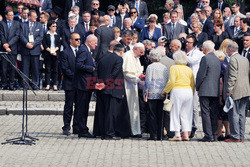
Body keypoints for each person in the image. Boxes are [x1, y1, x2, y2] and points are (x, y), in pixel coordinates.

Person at [93, 44, 125, 140]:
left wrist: (98, 83)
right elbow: (114, 74)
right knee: (111, 113)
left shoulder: (102, 58)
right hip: (113, 89)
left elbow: (97, 71)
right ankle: (109, 133)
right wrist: (105, 84)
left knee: (102, 111)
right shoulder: (119, 59)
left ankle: (101, 131)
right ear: (121, 51)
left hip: (101, 89)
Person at [162, 50, 195, 141]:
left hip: (177, 91)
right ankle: (186, 134)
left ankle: (177, 135)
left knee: (175, 113)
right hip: (188, 91)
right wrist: (191, 92)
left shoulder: (174, 68)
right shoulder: (189, 69)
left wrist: (165, 91)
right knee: (186, 114)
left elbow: (171, 82)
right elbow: (192, 83)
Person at [223, 41, 250, 142]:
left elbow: (232, 76)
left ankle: (235, 136)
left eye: (227, 49)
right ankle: (241, 136)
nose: (226, 51)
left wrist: (229, 90)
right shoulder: (245, 59)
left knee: (234, 113)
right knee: (242, 114)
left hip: (236, 90)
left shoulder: (233, 59)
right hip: (245, 90)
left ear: (230, 49)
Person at [196, 41, 221, 142]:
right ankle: (214, 134)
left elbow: (201, 75)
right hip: (215, 90)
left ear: (205, 48)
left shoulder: (205, 58)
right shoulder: (217, 59)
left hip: (205, 89)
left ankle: (208, 135)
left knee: (205, 112)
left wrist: (197, 87)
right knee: (214, 113)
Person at [74, 34, 97, 138]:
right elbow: (78, 64)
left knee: (84, 107)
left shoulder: (87, 50)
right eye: (95, 42)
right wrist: (91, 68)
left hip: (87, 83)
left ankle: (82, 128)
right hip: (83, 84)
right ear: (89, 42)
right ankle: (82, 130)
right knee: (82, 108)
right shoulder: (84, 50)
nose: (96, 45)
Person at [143, 48, 168, 140]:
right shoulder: (164, 67)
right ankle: (160, 134)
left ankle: (153, 135)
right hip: (161, 93)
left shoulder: (150, 67)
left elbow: (148, 80)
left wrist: (145, 92)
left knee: (152, 114)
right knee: (161, 114)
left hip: (152, 93)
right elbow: (166, 80)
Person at [122, 42, 145, 137]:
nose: (142, 54)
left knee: (135, 109)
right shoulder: (127, 56)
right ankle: (131, 130)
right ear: (135, 49)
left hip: (134, 85)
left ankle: (135, 130)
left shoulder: (136, 57)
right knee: (130, 108)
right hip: (128, 86)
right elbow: (126, 73)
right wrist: (138, 80)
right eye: (141, 52)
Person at [60, 32, 80, 136]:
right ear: (71, 40)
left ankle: (76, 127)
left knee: (78, 106)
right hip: (70, 83)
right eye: (76, 39)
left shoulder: (81, 51)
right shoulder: (65, 53)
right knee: (69, 106)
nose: (78, 41)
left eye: (79, 39)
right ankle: (66, 127)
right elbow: (65, 69)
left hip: (79, 84)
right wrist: (76, 76)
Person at [185, 34, 204, 138]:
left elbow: (191, 61)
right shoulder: (185, 52)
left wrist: (181, 56)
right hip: (185, 80)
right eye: (186, 42)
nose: (187, 44)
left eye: (189, 42)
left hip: (194, 80)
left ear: (194, 43)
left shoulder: (197, 53)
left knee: (194, 106)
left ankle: (195, 125)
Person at [20, 10, 44, 89]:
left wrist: (33, 44)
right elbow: (21, 36)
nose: (36, 18)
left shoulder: (39, 25)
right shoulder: (23, 25)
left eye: (36, 16)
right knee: (25, 68)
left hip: (35, 50)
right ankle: (25, 84)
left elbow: (40, 37)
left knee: (35, 69)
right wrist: (27, 43)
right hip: (25, 49)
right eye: (34, 16)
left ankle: (35, 84)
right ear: (29, 17)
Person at [0, 9, 20, 90]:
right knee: (4, 68)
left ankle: (11, 84)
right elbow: (1, 34)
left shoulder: (17, 23)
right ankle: (4, 84)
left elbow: (17, 36)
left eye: (12, 15)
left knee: (12, 67)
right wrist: (5, 45)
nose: (12, 16)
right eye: (10, 15)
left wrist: (9, 44)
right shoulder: (1, 23)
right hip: (4, 48)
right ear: (6, 16)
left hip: (13, 49)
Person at [214, 49, 230, 141]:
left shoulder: (218, 65)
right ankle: (228, 131)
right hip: (226, 91)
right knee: (225, 112)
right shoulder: (226, 64)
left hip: (220, 92)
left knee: (219, 113)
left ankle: (219, 132)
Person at [42, 20, 60, 91]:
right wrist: (50, 50)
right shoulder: (46, 34)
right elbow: (44, 44)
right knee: (48, 69)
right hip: (48, 53)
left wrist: (55, 50)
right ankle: (48, 84)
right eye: (53, 26)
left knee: (55, 70)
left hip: (55, 53)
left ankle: (55, 84)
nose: (55, 27)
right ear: (49, 27)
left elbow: (58, 44)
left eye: (55, 26)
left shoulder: (57, 34)